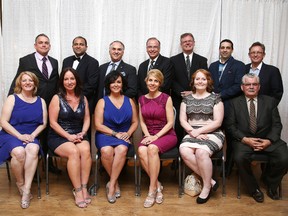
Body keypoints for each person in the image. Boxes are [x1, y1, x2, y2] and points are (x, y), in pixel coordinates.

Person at [226, 73, 288, 203]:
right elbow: (230, 126)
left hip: (267, 139)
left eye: (254, 84)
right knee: (239, 157)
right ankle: (254, 189)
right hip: (244, 140)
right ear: (242, 87)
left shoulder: (270, 101)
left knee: (284, 157)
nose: (251, 87)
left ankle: (270, 182)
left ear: (259, 87)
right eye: (248, 84)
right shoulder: (234, 103)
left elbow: (277, 125)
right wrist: (245, 139)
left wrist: (269, 140)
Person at [8, 33, 60, 174]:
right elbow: (18, 80)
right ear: (35, 45)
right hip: (33, 103)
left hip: (50, 104)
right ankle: (35, 167)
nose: (44, 45)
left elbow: (55, 83)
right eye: (41, 42)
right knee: (35, 134)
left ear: (50, 46)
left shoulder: (54, 62)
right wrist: (12, 101)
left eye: (46, 43)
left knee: (48, 133)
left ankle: (48, 164)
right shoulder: (26, 60)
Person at [0, 72, 47, 209]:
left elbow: (43, 123)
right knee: (19, 152)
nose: (27, 83)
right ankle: (20, 183)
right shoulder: (12, 98)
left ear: (35, 83)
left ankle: (26, 190)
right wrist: (20, 137)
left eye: (30, 80)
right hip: (11, 134)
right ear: (20, 83)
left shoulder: (41, 101)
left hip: (31, 134)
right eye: (24, 80)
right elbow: (3, 122)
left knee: (33, 148)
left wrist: (32, 135)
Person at [47, 68, 92, 208]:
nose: (69, 82)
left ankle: (84, 187)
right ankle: (77, 191)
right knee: (73, 152)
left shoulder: (83, 97)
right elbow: (53, 123)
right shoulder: (57, 98)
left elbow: (87, 118)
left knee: (85, 149)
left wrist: (83, 133)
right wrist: (69, 136)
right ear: (62, 81)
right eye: (66, 79)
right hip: (59, 136)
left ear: (76, 80)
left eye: (72, 78)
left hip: (78, 134)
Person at [179, 69, 224, 204]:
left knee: (201, 152)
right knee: (184, 150)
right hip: (191, 131)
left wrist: (200, 132)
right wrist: (192, 131)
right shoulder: (186, 98)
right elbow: (182, 120)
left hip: (213, 132)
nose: (200, 81)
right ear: (193, 82)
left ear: (208, 81)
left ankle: (206, 188)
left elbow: (218, 122)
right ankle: (209, 181)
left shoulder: (215, 98)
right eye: (197, 79)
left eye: (203, 79)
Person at [94, 70, 138, 204]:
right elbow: (98, 125)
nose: (116, 84)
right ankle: (116, 182)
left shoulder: (130, 101)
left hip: (124, 135)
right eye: (113, 82)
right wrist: (115, 134)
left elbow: (135, 122)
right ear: (108, 84)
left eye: (118, 82)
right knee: (106, 151)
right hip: (105, 134)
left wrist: (128, 134)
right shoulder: (102, 101)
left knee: (122, 150)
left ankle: (111, 184)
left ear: (122, 84)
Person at [137, 69, 177, 208]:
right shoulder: (141, 99)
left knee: (152, 148)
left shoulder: (166, 98)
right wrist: (148, 135)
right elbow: (141, 122)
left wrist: (156, 137)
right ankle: (158, 185)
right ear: (146, 81)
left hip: (166, 134)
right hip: (149, 133)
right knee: (142, 151)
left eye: (156, 81)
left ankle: (151, 189)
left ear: (160, 83)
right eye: (150, 80)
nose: (152, 83)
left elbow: (170, 123)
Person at [208, 39, 245, 176]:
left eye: (227, 47)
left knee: (230, 138)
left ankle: (227, 169)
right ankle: (212, 167)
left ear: (232, 50)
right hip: (213, 107)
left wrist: (220, 95)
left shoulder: (239, 65)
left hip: (230, 107)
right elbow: (209, 84)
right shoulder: (212, 66)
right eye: (222, 47)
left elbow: (238, 86)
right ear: (219, 49)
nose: (224, 50)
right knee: (213, 136)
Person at [170, 33, 208, 144]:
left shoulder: (202, 60)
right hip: (178, 99)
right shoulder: (173, 60)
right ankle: (177, 159)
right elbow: (171, 80)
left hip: (198, 99)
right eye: (185, 41)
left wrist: (193, 92)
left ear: (194, 43)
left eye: (190, 41)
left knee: (195, 127)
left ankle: (194, 152)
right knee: (178, 128)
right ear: (181, 44)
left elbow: (204, 79)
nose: (187, 43)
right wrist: (182, 92)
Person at [62, 36, 99, 113]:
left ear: (86, 47)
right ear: (72, 46)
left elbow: (92, 85)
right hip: (66, 102)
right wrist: (65, 98)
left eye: (81, 44)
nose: (78, 46)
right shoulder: (66, 61)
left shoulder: (93, 62)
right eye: (76, 44)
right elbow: (62, 80)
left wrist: (76, 98)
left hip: (84, 101)